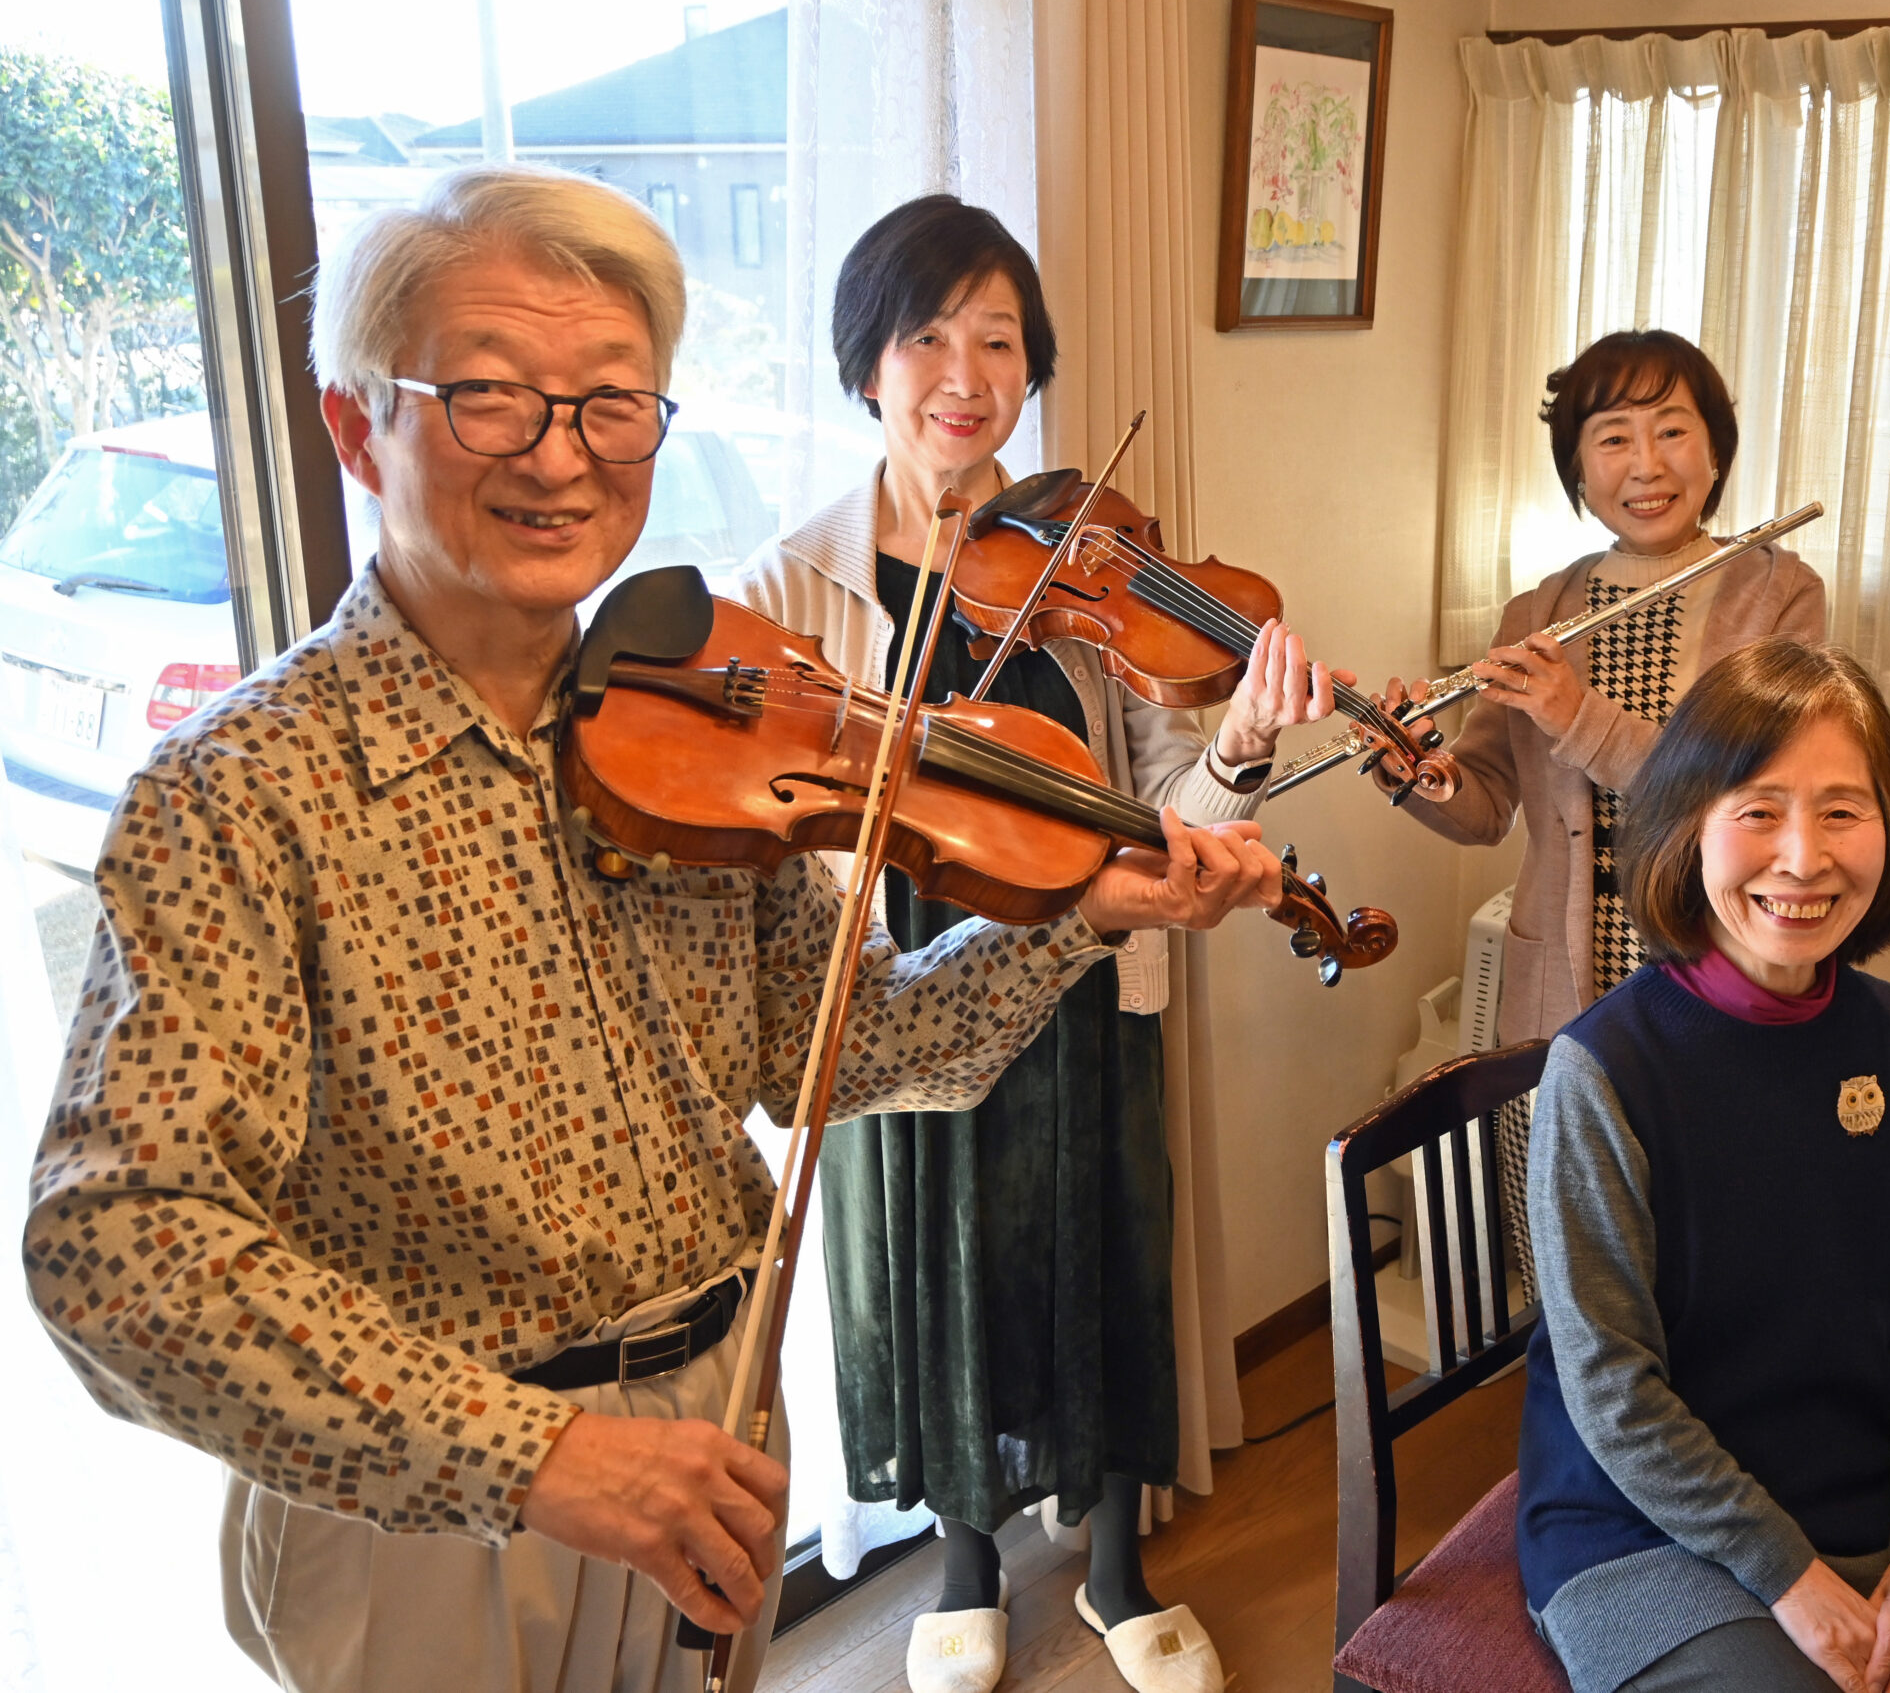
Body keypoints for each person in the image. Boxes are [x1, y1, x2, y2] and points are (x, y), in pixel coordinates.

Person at [20, 164, 1281, 1693]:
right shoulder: (242, 787)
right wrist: (537, 1453)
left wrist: (1079, 912)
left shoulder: (697, 722)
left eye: (613, 402)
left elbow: (854, 1043)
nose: (562, 453)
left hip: (717, 1428)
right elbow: (117, 1249)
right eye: (490, 395)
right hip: (441, 1514)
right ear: (360, 427)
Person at [733, 195, 1341, 1693]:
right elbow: (771, 819)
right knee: (932, 1258)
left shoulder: (1088, 573)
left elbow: (1164, 811)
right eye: (926, 335)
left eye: (997, 339)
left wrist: (1247, 741)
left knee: (1103, 1243)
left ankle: (1119, 1561)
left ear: (1032, 366)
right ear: (866, 364)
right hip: (889, 990)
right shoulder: (790, 583)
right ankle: (964, 1557)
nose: (963, 370)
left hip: (1079, 968)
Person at [1518, 637, 1890, 1693]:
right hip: (1641, 1524)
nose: (1803, 857)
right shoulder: (1603, 1069)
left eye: (1843, 810)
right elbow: (1612, 1391)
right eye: (1757, 810)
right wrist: (1784, 1574)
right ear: (1686, 827)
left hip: (1854, 1491)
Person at [1370, 329, 1826, 1044]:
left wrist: (1578, 716)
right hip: (1561, 981)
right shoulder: (1539, 611)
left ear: (1715, 452)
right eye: (1613, 439)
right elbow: (1488, 804)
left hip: (1718, 964)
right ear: (1578, 469)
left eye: (1672, 430)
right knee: (1568, 1157)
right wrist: (1418, 769)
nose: (1647, 465)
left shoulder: (1778, 596)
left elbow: (1753, 797)